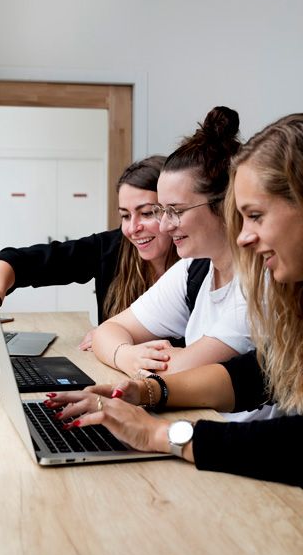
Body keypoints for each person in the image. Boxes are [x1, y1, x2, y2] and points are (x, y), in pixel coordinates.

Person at [44, 112, 303, 487]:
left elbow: (294, 440)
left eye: (255, 216)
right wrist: (146, 389)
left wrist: (161, 435)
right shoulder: (268, 286)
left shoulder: (265, 281)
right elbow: (258, 374)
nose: (244, 236)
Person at [91, 106, 255, 376]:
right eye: (162, 211)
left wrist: (135, 355)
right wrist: (128, 355)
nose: (165, 226)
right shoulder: (194, 269)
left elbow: (178, 370)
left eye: (176, 211)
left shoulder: (259, 284)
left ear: (225, 205)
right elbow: (106, 332)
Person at [0, 156, 178, 349]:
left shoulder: (196, 268)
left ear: (172, 210)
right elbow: (18, 262)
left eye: (146, 213)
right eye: (125, 216)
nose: (133, 228)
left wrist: (109, 338)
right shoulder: (111, 247)